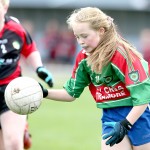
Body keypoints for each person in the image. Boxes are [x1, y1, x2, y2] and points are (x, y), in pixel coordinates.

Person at [40, 7, 150, 150]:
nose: (80, 41)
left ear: (101, 31)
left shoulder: (121, 54)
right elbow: (71, 93)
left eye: (85, 36)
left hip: (138, 116)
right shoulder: (83, 59)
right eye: (77, 36)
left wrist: (126, 123)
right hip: (110, 118)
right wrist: (43, 92)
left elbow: (143, 98)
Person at [0, 0, 54, 150]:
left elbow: (29, 49)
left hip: (11, 90)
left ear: (5, 7)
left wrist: (39, 68)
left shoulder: (15, 29)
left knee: (14, 144)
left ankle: (20, 128)